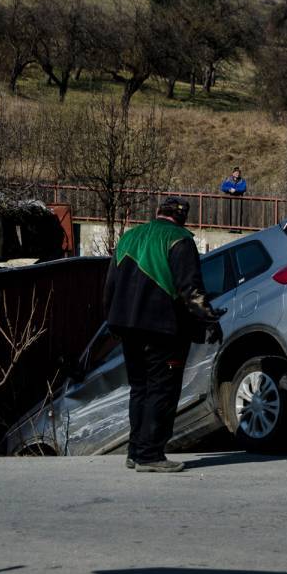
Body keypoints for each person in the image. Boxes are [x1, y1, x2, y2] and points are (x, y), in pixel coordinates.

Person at [104, 197, 226, 473]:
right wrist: (208, 318)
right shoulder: (179, 239)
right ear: (182, 218)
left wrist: (112, 320)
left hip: (126, 326)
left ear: (158, 212)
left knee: (140, 388)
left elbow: (110, 285)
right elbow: (190, 289)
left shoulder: (130, 237)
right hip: (163, 328)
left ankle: (135, 452)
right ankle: (151, 454)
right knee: (163, 389)